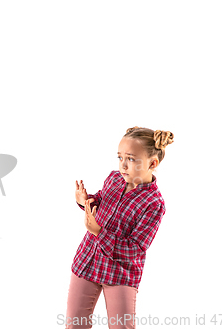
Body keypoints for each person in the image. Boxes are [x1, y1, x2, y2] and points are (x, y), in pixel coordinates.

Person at [65, 126, 174, 329]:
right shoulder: (114, 178)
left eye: (131, 159)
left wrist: (98, 231)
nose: (123, 165)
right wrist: (85, 200)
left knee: (121, 326)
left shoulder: (154, 203)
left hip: (120, 273)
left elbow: (136, 248)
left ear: (152, 163)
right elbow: (100, 202)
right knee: (75, 324)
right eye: (120, 157)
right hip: (88, 260)